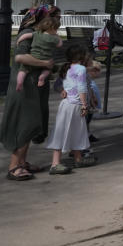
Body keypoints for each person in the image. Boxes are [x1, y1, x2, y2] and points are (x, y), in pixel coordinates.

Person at [2, 5, 60, 181]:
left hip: (34, 86)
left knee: (32, 124)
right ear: (43, 18)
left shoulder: (43, 34)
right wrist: (46, 64)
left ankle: (22, 162)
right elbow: (21, 57)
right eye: (55, 16)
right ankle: (14, 167)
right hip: (23, 88)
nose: (58, 20)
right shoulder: (26, 34)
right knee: (23, 125)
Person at [47, 44, 97, 174]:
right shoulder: (80, 69)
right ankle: (55, 164)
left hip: (68, 105)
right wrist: (85, 104)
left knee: (76, 131)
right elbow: (81, 88)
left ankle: (78, 158)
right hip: (74, 105)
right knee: (65, 131)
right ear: (82, 57)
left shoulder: (69, 67)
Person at [15, 16, 62, 92]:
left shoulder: (37, 34)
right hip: (45, 59)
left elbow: (25, 36)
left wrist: (19, 40)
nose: (57, 31)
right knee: (47, 70)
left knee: (23, 70)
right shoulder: (54, 38)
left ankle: (19, 82)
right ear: (53, 28)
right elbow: (60, 44)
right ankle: (42, 78)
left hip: (33, 58)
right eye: (57, 29)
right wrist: (58, 37)